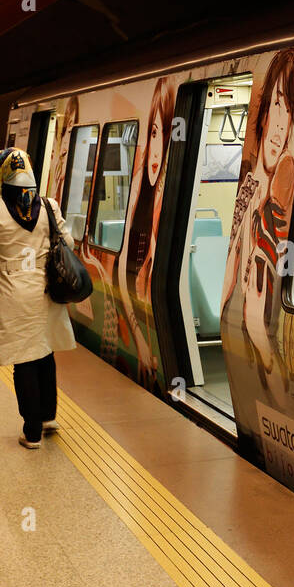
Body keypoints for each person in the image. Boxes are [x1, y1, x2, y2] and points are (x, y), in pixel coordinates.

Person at [0, 149, 76, 448]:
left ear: (1, 173)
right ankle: (49, 417)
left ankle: (32, 429)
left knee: (24, 358)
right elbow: (69, 242)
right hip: (45, 288)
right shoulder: (48, 205)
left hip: (14, 290)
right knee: (45, 350)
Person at [221, 49, 294, 388]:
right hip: (240, 341)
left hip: (261, 354)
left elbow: (260, 312)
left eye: (290, 110)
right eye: (277, 104)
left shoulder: (282, 194)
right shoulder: (247, 187)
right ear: (264, 111)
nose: (281, 124)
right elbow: (228, 278)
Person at [118, 80, 173, 384]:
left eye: (165, 134)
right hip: (136, 318)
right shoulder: (140, 183)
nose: (157, 148)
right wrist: (139, 340)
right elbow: (124, 265)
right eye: (153, 132)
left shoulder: (168, 191)